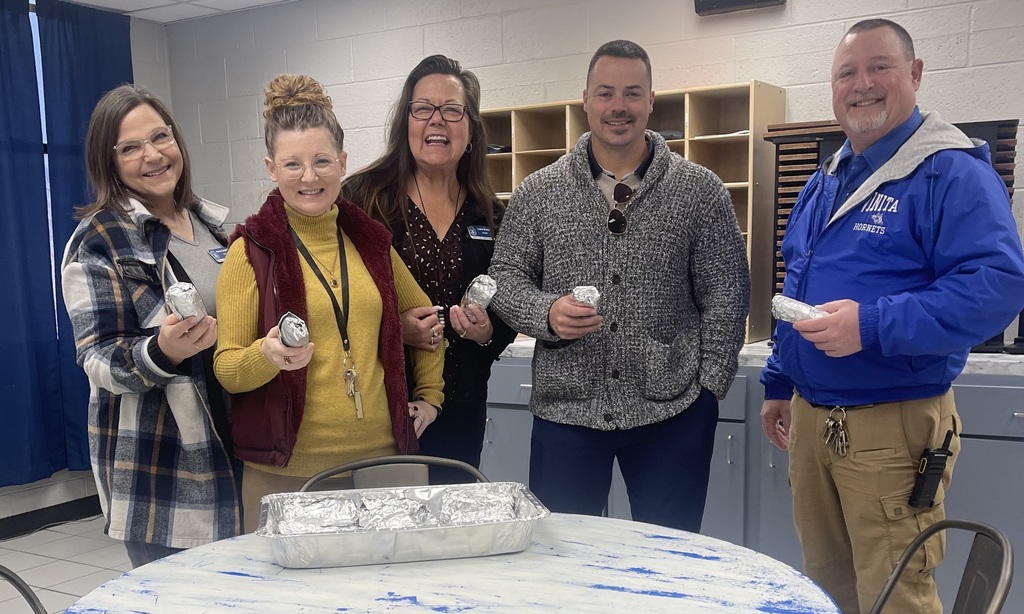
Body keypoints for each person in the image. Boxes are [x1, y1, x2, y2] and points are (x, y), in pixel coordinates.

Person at [759, 19, 1024, 614]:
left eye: (879, 67)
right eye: (847, 73)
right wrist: (780, 380)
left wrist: (872, 324)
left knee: (895, 594)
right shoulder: (827, 179)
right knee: (826, 589)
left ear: (916, 74)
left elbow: (999, 286)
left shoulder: (949, 171)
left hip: (892, 425)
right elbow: (796, 281)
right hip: (812, 418)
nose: (863, 84)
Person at [488, 40, 751, 532]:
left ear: (652, 101)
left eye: (632, 93)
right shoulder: (539, 192)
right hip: (567, 410)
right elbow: (504, 277)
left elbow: (726, 292)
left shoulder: (700, 191)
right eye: (606, 93)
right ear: (585, 98)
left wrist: (710, 388)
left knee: (672, 559)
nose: (618, 107)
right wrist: (546, 314)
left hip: (672, 411)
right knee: (565, 561)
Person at [214, 74, 445, 532]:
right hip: (289, 469)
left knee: (391, 598)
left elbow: (428, 323)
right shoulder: (250, 253)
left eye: (322, 161)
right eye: (292, 164)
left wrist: (431, 398)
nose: (309, 177)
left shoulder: (371, 244)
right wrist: (268, 355)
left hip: (384, 463)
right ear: (271, 168)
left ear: (341, 163)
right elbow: (227, 369)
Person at [61, 84, 240, 567]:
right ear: (109, 162)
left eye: (160, 137)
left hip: (239, 445)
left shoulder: (215, 226)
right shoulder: (98, 239)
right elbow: (97, 358)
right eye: (130, 148)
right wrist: (162, 352)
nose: (153, 155)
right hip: (165, 470)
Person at [343, 55, 517, 483]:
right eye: (422, 108)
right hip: (383, 407)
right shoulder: (363, 200)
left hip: (463, 405)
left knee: (453, 531)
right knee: (388, 539)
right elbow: (331, 295)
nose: (436, 120)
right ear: (406, 121)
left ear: (471, 129)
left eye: (452, 110)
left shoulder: (491, 215)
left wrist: (488, 331)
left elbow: (514, 300)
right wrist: (393, 330)